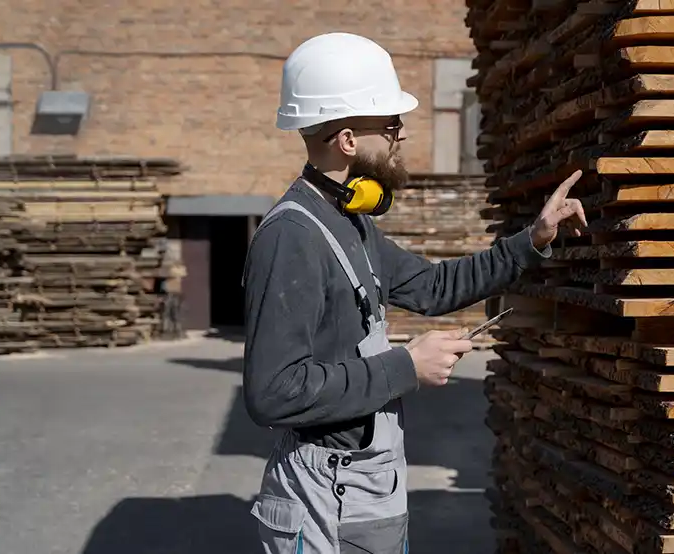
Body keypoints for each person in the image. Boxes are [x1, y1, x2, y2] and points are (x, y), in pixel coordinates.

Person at [241, 32, 587, 554]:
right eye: (391, 123)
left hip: (363, 486)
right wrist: (407, 366)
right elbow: (274, 392)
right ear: (348, 140)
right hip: (324, 502)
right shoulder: (291, 236)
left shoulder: (349, 220)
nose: (401, 134)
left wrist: (531, 241)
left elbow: (431, 287)